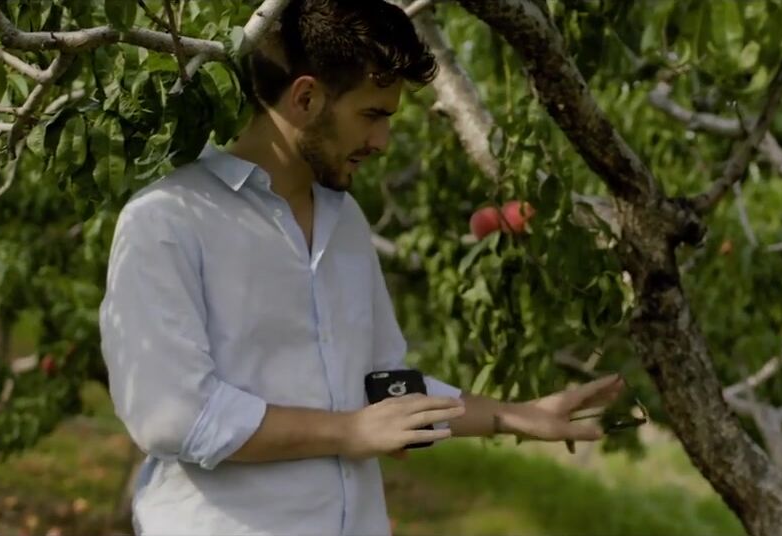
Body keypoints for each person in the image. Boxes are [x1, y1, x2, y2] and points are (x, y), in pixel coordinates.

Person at [97, 1, 626, 534]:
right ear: (305, 97)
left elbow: (383, 389)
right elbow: (175, 417)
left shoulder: (344, 219)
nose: (381, 143)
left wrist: (517, 416)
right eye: (372, 115)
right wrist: (349, 432)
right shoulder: (168, 221)